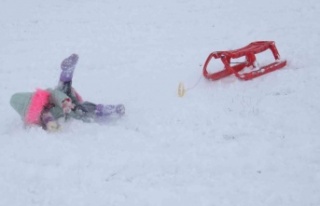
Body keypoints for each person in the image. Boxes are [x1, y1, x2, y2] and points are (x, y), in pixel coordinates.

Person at [10, 54, 125, 132]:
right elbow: (47, 118)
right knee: (80, 106)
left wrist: (64, 101)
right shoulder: (42, 114)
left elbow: (54, 94)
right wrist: (52, 125)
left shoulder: (45, 97)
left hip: (66, 102)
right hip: (69, 108)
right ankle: (67, 73)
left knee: (68, 93)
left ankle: (67, 72)